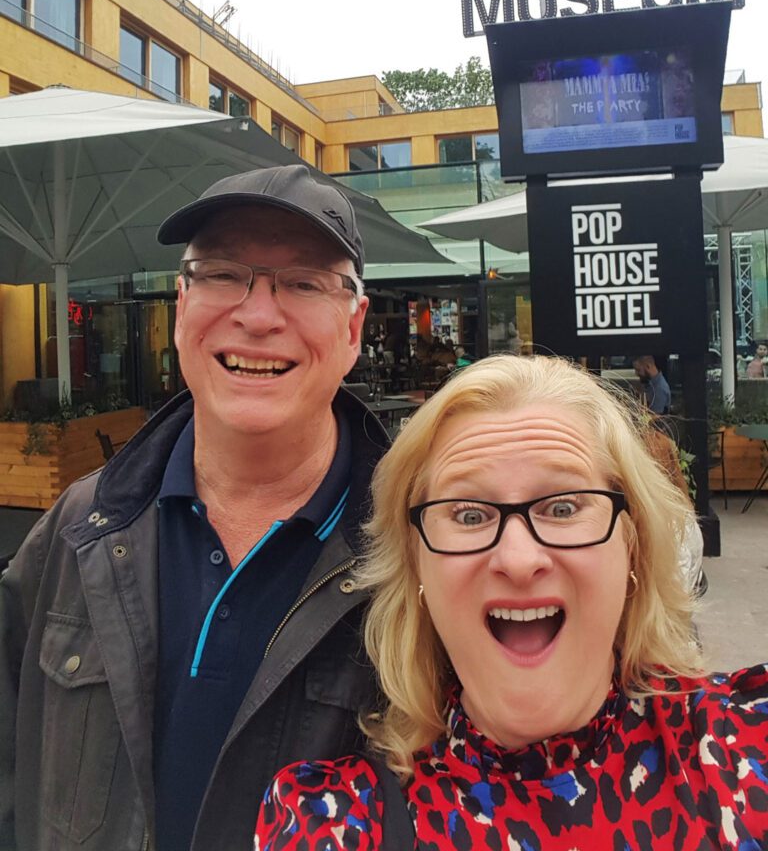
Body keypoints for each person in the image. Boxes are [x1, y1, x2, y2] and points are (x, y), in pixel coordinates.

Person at [0, 165, 391, 851]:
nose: (258, 314)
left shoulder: (418, 557)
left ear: (353, 325)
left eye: (302, 283)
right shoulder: (79, 527)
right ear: (181, 306)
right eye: (221, 274)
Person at [255, 355, 768, 849]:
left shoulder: (748, 750)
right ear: (418, 570)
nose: (519, 559)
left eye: (563, 506)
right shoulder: (330, 821)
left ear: (632, 546)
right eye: (470, 515)